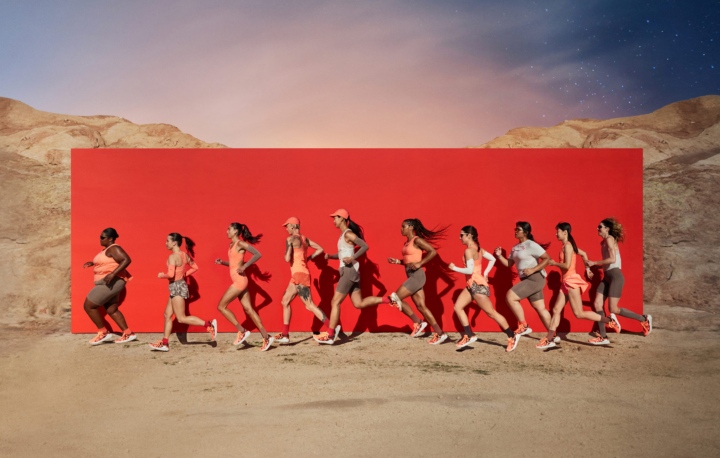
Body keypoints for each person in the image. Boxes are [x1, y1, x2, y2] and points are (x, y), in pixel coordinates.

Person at [538, 223, 621, 349]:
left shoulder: (568, 246)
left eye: (558, 231)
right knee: (556, 310)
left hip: (571, 281)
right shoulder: (568, 246)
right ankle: (549, 339)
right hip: (565, 282)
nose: (556, 234)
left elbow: (566, 266)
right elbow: (583, 254)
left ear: (565, 232)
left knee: (579, 313)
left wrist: (554, 263)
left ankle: (609, 321)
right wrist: (587, 269)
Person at [449, 226, 519, 351]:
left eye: (462, 235)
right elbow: (492, 259)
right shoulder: (478, 248)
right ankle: (469, 335)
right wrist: (485, 273)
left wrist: (454, 268)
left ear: (469, 235)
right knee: (458, 307)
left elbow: (469, 270)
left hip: (477, 286)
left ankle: (511, 335)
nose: (460, 238)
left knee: (491, 313)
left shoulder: (469, 251)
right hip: (471, 285)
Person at [382, 218, 450, 345]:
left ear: (411, 227)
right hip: (411, 275)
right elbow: (409, 261)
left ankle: (418, 322)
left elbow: (432, 252)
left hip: (417, 276)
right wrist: (397, 261)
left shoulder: (417, 240)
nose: (401, 229)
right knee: (421, 307)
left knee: (395, 298)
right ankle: (440, 333)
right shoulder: (407, 243)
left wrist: (420, 263)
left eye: (403, 226)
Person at [316, 209, 376, 345]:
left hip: (348, 270)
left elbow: (364, 246)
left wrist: (353, 257)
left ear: (342, 218)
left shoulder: (348, 233)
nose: (333, 221)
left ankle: (330, 335)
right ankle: (389, 299)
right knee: (358, 303)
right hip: (350, 271)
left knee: (335, 302)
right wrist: (331, 256)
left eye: (335, 218)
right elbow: (343, 254)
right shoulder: (343, 235)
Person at [586, 218, 651, 344]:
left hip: (615, 276)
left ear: (607, 229)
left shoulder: (609, 239)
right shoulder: (603, 242)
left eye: (600, 227)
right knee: (597, 304)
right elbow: (608, 261)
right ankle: (603, 337)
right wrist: (597, 267)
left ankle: (643, 319)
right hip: (607, 277)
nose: (597, 229)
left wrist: (594, 263)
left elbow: (612, 259)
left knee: (613, 309)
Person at [149, 233, 215, 352]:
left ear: (174, 243)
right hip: (178, 286)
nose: (166, 243)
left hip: (176, 286)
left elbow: (171, 275)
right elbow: (195, 267)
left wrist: (162, 275)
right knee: (167, 314)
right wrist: (183, 275)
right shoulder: (184, 255)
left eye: (167, 241)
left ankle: (209, 324)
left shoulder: (172, 257)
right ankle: (165, 343)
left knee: (181, 318)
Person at [215, 222, 274, 352]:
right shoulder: (231, 245)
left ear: (235, 231)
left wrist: (245, 267)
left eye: (229, 229)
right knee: (249, 310)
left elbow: (257, 254)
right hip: (240, 280)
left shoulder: (240, 243)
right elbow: (234, 264)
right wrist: (223, 263)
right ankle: (266, 337)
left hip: (239, 281)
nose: (227, 231)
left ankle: (242, 331)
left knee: (221, 306)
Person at [494, 221, 552, 347]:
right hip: (527, 279)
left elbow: (547, 258)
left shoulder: (531, 244)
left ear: (525, 232)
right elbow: (509, 264)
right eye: (515, 229)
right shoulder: (515, 247)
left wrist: (533, 269)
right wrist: (499, 256)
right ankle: (553, 336)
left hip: (535, 278)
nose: (515, 231)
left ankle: (524, 326)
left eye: (518, 229)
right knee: (540, 308)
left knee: (510, 297)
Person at [275, 217, 333, 344]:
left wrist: (288, 249)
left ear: (293, 226)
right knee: (285, 301)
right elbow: (320, 248)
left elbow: (287, 259)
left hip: (299, 275)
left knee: (309, 305)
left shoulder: (290, 239)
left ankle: (331, 330)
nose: (286, 229)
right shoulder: (305, 239)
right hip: (299, 274)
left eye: (287, 226)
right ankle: (285, 334)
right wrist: (309, 258)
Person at [82, 228, 136, 345]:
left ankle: (103, 332)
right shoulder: (107, 250)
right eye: (100, 237)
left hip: (111, 282)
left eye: (103, 237)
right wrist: (93, 263)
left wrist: (113, 274)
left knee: (89, 306)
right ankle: (128, 333)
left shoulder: (114, 248)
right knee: (112, 309)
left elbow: (126, 260)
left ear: (110, 239)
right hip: (111, 282)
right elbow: (109, 262)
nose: (100, 239)